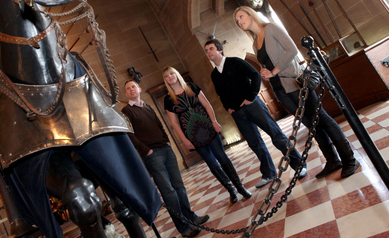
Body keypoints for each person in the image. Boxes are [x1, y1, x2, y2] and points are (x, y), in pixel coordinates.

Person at [234, 6, 360, 179]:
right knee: (311, 124)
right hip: (280, 90)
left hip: (294, 82)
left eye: (241, 16)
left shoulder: (270, 28)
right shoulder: (255, 43)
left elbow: (291, 50)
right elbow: (268, 64)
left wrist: (275, 71)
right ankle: (333, 161)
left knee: (321, 117)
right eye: (236, 20)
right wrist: (266, 72)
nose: (239, 21)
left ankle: (350, 160)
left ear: (250, 14)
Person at [204, 40, 307, 188]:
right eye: (206, 50)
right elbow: (220, 94)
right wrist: (229, 108)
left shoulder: (235, 62)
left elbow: (255, 76)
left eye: (211, 48)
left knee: (276, 134)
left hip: (253, 106)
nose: (209, 52)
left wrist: (250, 97)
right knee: (255, 143)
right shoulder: (214, 74)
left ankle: (298, 165)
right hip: (238, 114)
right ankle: (269, 173)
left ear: (220, 50)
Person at [122, 79, 209, 238]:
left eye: (133, 86)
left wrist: (167, 141)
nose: (131, 90)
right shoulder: (126, 111)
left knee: (179, 186)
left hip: (165, 149)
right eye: (128, 89)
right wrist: (146, 150)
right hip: (152, 154)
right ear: (126, 93)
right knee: (168, 192)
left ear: (139, 89)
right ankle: (183, 227)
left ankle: (190, 217)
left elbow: (160, 125)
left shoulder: (148, 106)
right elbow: (129, 134)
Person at [161, 67, 252, 201]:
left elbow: (207, 104)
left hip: (208, 127)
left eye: (172, 73)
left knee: (221, 156)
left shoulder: (191, 87)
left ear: (177, 74)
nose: (170, 77)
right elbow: (174, 123)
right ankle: (231, 190)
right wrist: (184, 140)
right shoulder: (168, 99)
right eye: (167, 76)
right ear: (166, 81)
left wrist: (214, 121)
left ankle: (240, 187)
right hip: (192, 134)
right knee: (211, 162)